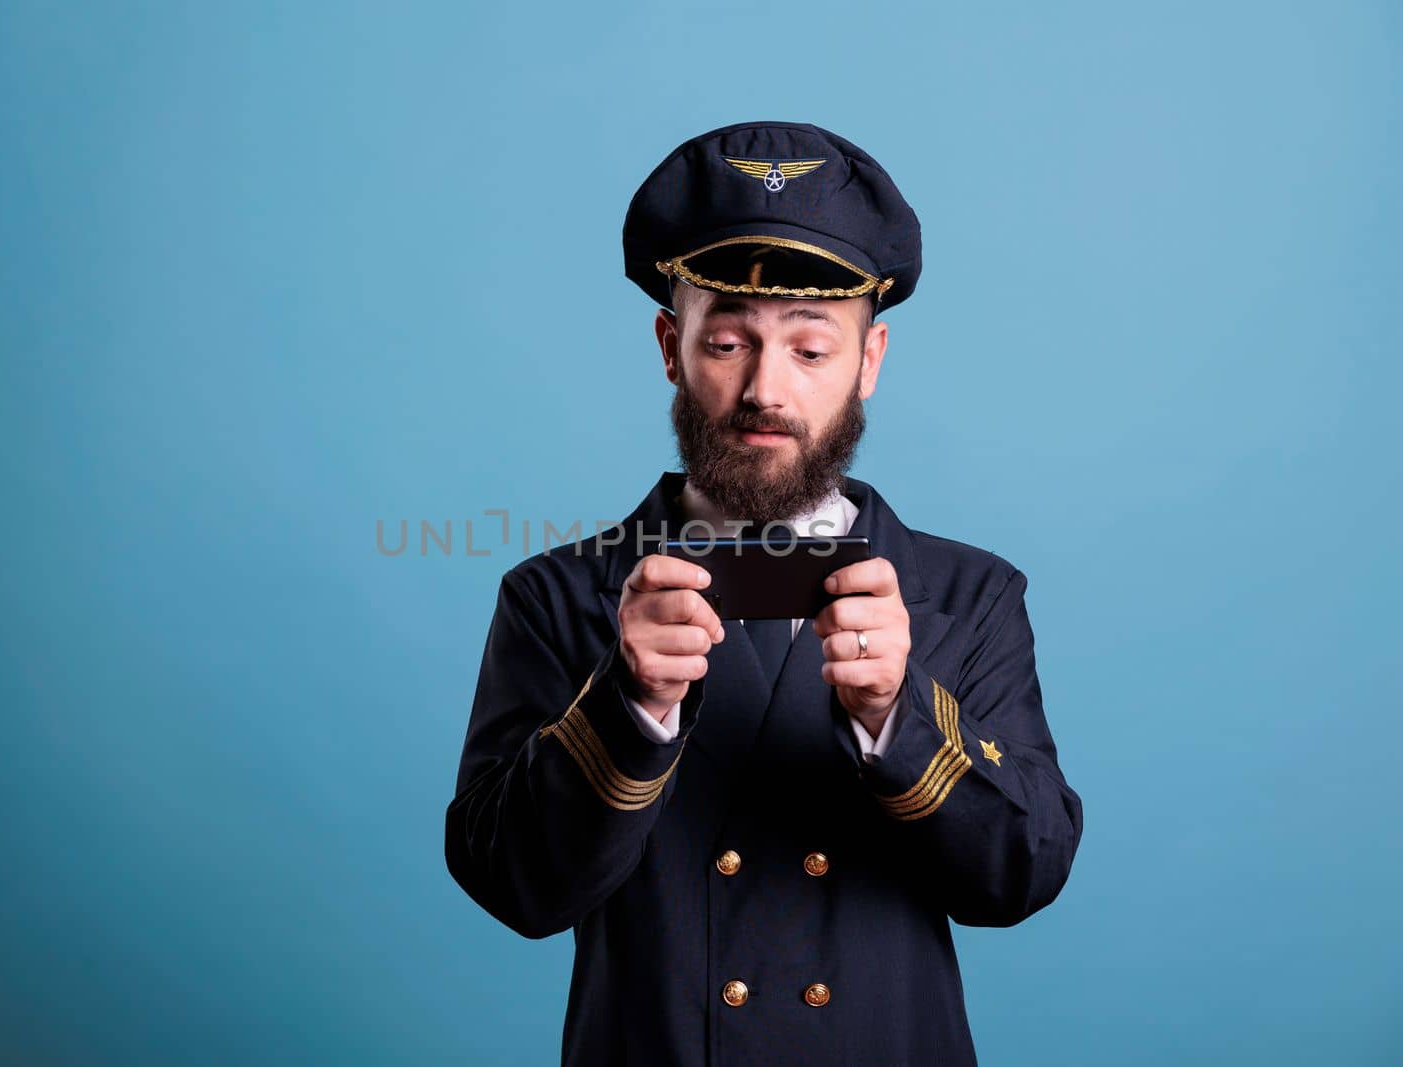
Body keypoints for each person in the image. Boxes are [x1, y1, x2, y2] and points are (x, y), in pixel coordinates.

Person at [444, 120, 1083, 1066]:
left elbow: (1022, 876)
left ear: (869, 362)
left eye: (811, 350)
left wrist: (894, 716)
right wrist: (631, 706)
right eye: (729, 342)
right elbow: (514, 888)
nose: (763, 389)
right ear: (672, 345)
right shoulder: (557, 596)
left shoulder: (970, 595)